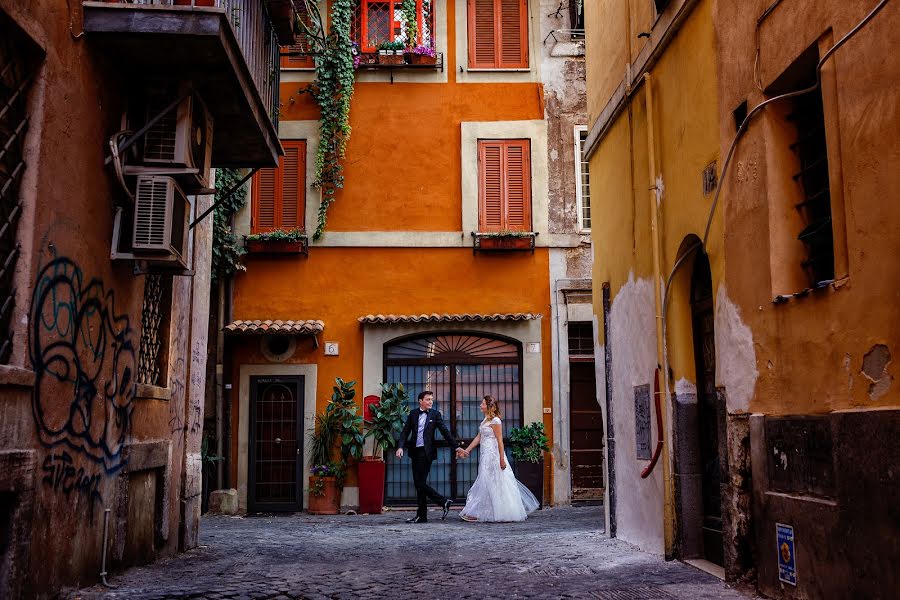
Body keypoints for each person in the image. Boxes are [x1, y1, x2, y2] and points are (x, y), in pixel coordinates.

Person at [457, 395, 539, 522]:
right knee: (487, 481)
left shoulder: (496, 421)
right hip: (485, 455)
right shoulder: (485, 421)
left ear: (489, 407)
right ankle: (483, 511)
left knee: (494, 481)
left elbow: (500, 441)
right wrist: (467, 450)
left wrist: (502, 459)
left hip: (494, 455)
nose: (480, 405)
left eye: (483, 404)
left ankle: (491, 511)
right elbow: (479, 437)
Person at [396, 391, 465, 523]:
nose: (430, 402)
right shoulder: (413, 414)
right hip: (414, 452)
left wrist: (456, 447)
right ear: (420, 401)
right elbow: (405, 432)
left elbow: (445, 431)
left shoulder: (435, 414)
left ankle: (442, 502)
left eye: (431, 399)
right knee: (419, 484)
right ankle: (424, 515)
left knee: (419, 483)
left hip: (426, 453)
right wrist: (400, 447)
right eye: (428, 399)